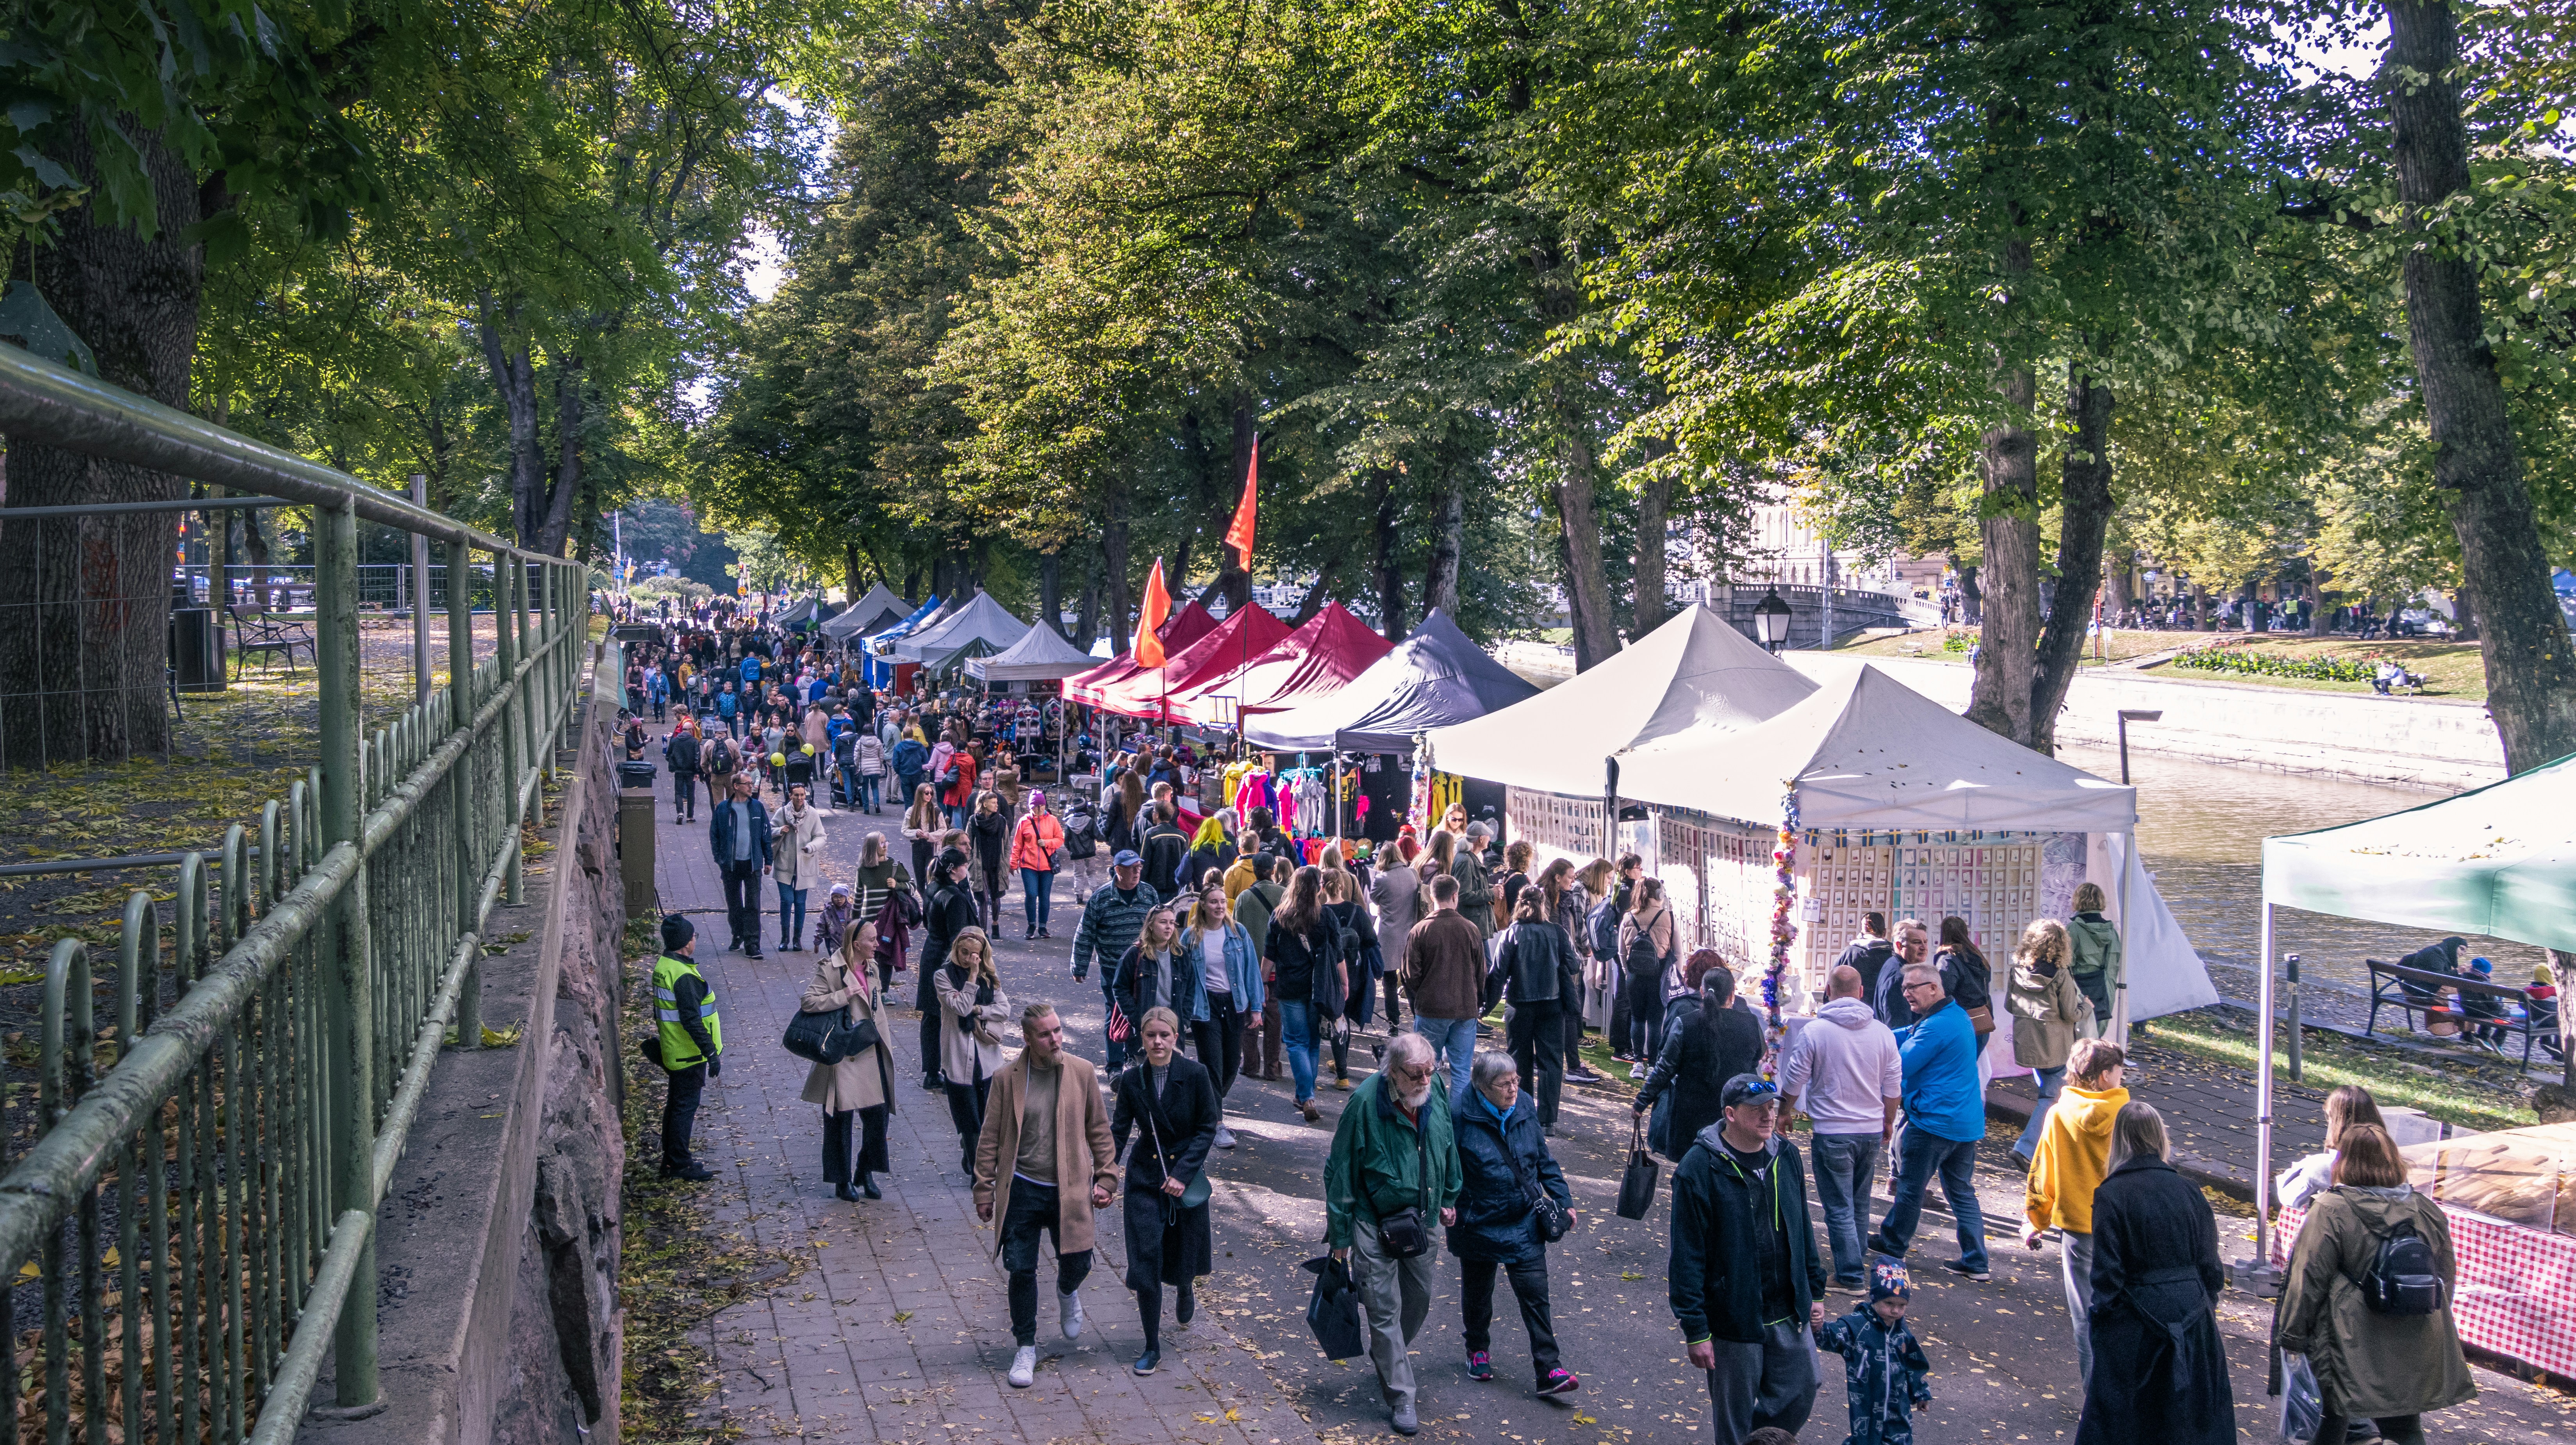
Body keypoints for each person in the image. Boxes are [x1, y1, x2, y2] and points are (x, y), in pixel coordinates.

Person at [2273, 1123, 2473, 1445]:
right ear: (2394, 1161)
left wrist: (2292, 1337)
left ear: (2343, 1162)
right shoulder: (2426, 1209)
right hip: (2413, 1335)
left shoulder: (2331, 1208)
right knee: (2405, 1427)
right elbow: (2445, 1277)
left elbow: (2307, 1279)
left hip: (2348, 1337)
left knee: (2332, 1420)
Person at [1667, 1075, 1827, 1445]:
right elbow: (1687, 1255)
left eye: (1771, 1107)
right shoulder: (1698, 1168)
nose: (1769, 1116)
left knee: (1803, 1388)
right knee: (1734, 1417)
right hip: (1733, 1317)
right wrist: (1696, 1329)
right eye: (1757, 1110)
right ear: (1731, 1114)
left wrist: (1814, 1290)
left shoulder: (1786, 1156)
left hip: (1787, 1308)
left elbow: (1803, 1227)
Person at [1324, 1033, 1463, 1438]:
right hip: (1372, 1219)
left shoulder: (1433, 1085)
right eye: (1414, 1074)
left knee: (1417, 1301)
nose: (1423, 1081)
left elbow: (1446, 1142)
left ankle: (1388, 1355)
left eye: (1428, 1071)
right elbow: (1340, 1172)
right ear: (1392, 1071)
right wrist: (1340, 1236)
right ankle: (1401, 1395)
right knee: (1383, 1309)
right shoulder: (1364, 1104)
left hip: (1422, 1219)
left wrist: (1449, 1194)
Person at [974, 1003, 1118, 1391]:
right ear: (1027, 1037)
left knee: (1077, 1263)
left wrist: (1106, 1177)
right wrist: (983, 1188)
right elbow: (988, 1139)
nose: (1054, 1039)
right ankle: (1025, 1346)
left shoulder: (1082, 1072)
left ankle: (1067, 1290)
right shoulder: (1006, 1079)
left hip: (1068, 1190)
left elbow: (1100, 1131)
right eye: (1045, 1034)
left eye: (1057, 1030)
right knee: (1020, 1269)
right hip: (1021, 1187)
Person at [2074, 1103, 2237, 1445]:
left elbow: (2107, 1277)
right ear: (2159, 1137)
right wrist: (2204, 1305)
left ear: (2119, 1140)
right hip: (2193, 1320)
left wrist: (2103, 1325)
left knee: (2130, 1424)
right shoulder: (2189, 1190)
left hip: (2136, 1327)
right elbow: (2211, 1266)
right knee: (2192, 1425)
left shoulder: (2111, 1194)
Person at [1449, 1050, 1581, 1399]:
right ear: (1482, 1087)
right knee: (1478, 1295)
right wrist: (1446, 1206)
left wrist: (1564, 1200)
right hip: (1478, 1222)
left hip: (1524, 1219)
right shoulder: (1459, 1115)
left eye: (1516, 1080)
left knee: (1536, 1297)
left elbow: (1542, 1157)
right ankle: (1477, 1350)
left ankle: (1549, 1369)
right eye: (1504, 1084)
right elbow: (1446, 1169)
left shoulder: (1523, 1103)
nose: (1513, 1089)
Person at [1110, 1006, 1221, 1376]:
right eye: (1150, 1035)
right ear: (1141, 1038)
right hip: (1145, 1177)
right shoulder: (1131, 1081)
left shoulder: (1196, 1074)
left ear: (1176, 1037)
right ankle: (1151, 1345)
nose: (1158, 1042)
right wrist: (1104, 1173)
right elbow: (1119, 1131)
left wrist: (1183, 1173)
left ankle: (1186, 1285)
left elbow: (1208, 1127)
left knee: (1184, 1250)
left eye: (1165, 1035)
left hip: (1184, 1176)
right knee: (1146, 1256)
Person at [1779, 964, 1903, 1291]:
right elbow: (1893, 1087)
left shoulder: (1816, 1032)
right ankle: (1856, 1255)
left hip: (1833, 1130)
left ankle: (1849, 1275)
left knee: (1838, 1206)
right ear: (1862, 992)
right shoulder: (1883, 1033)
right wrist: (1888, 1120)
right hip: (1870, 1129)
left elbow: (1794, 1079)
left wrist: (1784, 1112)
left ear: (1828, 992)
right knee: (1860, 1203)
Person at [1867, 963, 1991, 1283]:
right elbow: (1908, 1036)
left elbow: (1903, 1063)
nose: (1906, 993)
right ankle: (1977, 1260)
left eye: (1913, 987)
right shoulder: (1954, 1016)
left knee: (1910, 1188)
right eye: (1904, 987)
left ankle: (1893, 1244)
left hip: (1935, 1122)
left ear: (1934, 988)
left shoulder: (1937, 1026)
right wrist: (1877, 1032)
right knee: (1962, 1192)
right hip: (1964, 1123)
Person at [2019, 1038, 2131, 1381]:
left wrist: (2035, 1220)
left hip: (2080, 1229)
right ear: (2103, 1077)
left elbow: (2043, 1171)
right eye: (2118, 1072)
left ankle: (2095, 1395)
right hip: (2125, 1227)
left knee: (2086, 1315)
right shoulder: (2126, 1116)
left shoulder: (2058, 1115)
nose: (2122, 1078)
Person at [801, 924, 896, 1201]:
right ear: (855, 943)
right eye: (871, 940)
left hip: (872, 1049)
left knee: (878, 1117)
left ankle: (865, 1171)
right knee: (839, 1120)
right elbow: (808, 1002)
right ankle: (842, 1180)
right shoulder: (831, 969)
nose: (877, 944)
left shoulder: (872, 967)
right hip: (845, 1055)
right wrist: (843, 996)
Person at [1636, 965, 1766, 1160]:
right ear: (1733, 994)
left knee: (1691, 1175)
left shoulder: (1685, 1023)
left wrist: (1641, 1102)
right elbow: (1757, 1057)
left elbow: (1665, 1069)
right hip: (1733, 1114)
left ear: (1702, 992)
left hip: (1690, 1115)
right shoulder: (1750, 1023)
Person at [1813, 1256, 1932, 1445]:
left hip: (1898, 1406)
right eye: (1890, 1304)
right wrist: (1817, 1327)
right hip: (1867, 1401)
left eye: (1902, 1306)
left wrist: (1920, 1393)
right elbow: (1831, 1337)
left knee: (1900, 1440)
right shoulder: (1857, 1325)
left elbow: (1914, 1363)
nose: (1896, 1311)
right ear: (1875, 1298)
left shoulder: (1902, 1332)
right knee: (1864, 1441)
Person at [2005, 918, 2094, 1164]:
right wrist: (2086, 1006)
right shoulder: (2060, 975)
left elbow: (2009, 1005)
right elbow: (2071, 1014)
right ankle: (2026, 1149)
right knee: (2049, 1099)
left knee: (2049, 1092)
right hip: (2055, 1046)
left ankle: (2051, 1145)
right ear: (2062, 945)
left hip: (2028, 1044)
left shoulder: (2018, 971)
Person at [1264, 865, 1346, 1123]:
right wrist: (1344, 985)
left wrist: (1263, 985)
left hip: (1289, 988)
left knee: (1295, 1042)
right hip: (1318, 988)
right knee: (1312, 1042)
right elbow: (1338, 956)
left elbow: (1269, 957)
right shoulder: (1327, 917)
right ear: (1319, 887)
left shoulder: (1279, 916)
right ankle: (1306, 1095)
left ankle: (1307, 1096)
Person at [1495, 893, 1580, 1132]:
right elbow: (1574, 964)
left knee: (1519, 1060)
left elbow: (1498, 972)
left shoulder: (1512, 933)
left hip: (1520, 1003)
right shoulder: (1557, 932)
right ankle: (1548, 1120)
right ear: (1544, 905)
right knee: (1551, 1061)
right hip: (1552, 1003)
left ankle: (1522, 1113)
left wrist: (1485, 1004)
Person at [1183, 884, 1259, 1150]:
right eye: (1213, 902)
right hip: (1205, 1007)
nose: (1219, 906)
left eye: (1222, 902)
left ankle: (1205, 1103)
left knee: (1231, 1063)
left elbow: (1252, 971)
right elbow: (1179, 973)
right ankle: (1216, 1124)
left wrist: (1257, 1008)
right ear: (1202, 905)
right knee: (1212, 1064)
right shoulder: (1191, 937)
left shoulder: (1238, 933)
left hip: (1234, 1004)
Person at [1072, 850, 1162, 1074]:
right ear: (1118, 870)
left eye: (1139, 867)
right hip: (1112, 969)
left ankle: (1133, 1060)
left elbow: (1161, 928)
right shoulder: (1101, 898)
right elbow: (1086, 933)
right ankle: (1114, 1067)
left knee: (1140, 1013)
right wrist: (1079, 966)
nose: (1137, 872)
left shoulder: (1149, 894)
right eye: (1132, 868)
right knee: (1115, 1013)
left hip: (1144, 968)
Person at [648, 915, 722, 1181]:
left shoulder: (666, 965)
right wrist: (711, 1053)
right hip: (689, 1053)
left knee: (676, 1106)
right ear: (684, 943)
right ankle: (679, 1163)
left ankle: (671, 1160)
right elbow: (691, 1019)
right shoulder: (683, 976)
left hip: (674, 1049)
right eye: (693, 936)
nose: (695, 940)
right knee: (683, 1109)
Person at [1404, 874, 1487, 1104]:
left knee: (1425, 1070)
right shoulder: (1471, 929)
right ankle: (1457, 1125)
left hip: (1431, 1008)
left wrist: (1421, 996)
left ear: (1432, 897)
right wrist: (1477, 1000)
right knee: (1461, 1072)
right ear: (1455, 896)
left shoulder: (1421, 930)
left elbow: (1411, 975)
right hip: (1464, 1008)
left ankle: (1430, 1119)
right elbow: (1481, 972)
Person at [917, 849, 981, 1091]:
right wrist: (965, 968)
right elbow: (960, 939)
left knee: (931, 1018)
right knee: (951, 1018)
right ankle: (950, 1074)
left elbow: (926, 921)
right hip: (948, 961)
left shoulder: (932, 887)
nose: (968, 869)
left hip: (931, 954)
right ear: (954, 868)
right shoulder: (954, 898)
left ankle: (932, 1073)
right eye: (965, 865)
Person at [1323, 869, 1381, 1089]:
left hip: (1330, 974)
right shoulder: (1357, 911)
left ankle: (1343, 1074)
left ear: (1323, 887)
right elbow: (1371, 940)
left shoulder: (1320, 913)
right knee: (1344, 1016)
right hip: (1355, 972)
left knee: (1338, 1019)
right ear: (1343, 887)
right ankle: (1341, 1063)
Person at [708, 774, 772, 957]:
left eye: (752, 783)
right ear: (736, 786)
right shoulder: (723, 809)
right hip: (730, 865)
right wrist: (720, 859)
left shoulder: (757, 807)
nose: (751, 786)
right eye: (747, 784)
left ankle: (752, 944)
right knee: (734, 903)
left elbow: (765, 834)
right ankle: (738, 934)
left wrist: (768, 860)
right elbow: (715, 835)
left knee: (753, 904)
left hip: (752, 864)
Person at [1115, 905, 1198, 1040]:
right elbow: (1120, 988)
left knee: (1172, 1061)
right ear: (1151, 926)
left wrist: (1184, 1021)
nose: (1169, 927)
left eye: (1172, 923)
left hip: (1173, 1025)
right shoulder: (1136, 954)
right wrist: (1135, 1018)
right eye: (1163, 922)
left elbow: (1190, 989)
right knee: (1144, 1061)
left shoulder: (1181, 955)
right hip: (1145, 1026)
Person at [1619, 879, 1679, 1065]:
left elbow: (1621, 951)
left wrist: (1627, 971)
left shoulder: (1628, 917)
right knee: (1655, 1021)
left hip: (1634, 975)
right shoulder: (1668, 917)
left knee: (1637, 1018)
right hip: (1659, 975)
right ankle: (1653, 1064)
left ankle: (1637, 1062)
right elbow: (1678, 952)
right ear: (1660, 895)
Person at [1371, 837, 1422, 1038]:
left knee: (1390, 982)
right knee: (1411, 981)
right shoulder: (1413, 874)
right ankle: (1419, 1018)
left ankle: (1393, 1024)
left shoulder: (1382, 879)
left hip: (1389, 935)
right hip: (1410, 933)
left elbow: (1374, 899)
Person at [771, 782, 827, 952]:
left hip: (805, 863)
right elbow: (769, 830)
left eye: (803, 795)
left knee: (801, 902)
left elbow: (821, 836)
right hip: (785, 863)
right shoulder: (782, 813)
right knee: (787, 901)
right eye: (797, 795)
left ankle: (797, 939)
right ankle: (784, 938)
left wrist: (811, 847)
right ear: (790, 796)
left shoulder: (812, 814)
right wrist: (781, 830)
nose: (800, 798)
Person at [1010, 792, 1067, 940]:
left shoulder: (1053, 820)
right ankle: (1031, 924)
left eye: (1042, 805)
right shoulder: (1024, 822)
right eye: (1036, 806)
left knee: (1044, 896)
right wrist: (1013, 862)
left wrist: (1047, 843)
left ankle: (1043, 926)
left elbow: (1060, 839)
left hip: (1047, 865)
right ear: (1031, 807)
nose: (1040, 809)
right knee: (1031, 894)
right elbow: (1017, 844)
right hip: (1028, 864)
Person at [2066, 884, 2122, 1033]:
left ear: (2078, 900)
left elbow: (2066, 964)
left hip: (2079, 986)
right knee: (2096, 1037)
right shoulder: (2112, 931)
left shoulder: (2074, 929)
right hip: (2104, 987)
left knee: (2077, 1036)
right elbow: (2114, 965)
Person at [1932, 915, 1993, 1054]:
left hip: (1960, 1021)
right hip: (1982, 1019)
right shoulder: (1978, 956)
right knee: (1971, 1066)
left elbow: (1943, 992)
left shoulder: (1948, 959)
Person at [1872, 919, 1932, 1030]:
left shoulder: (1901, 967)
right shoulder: (1899, 978)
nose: (1924, 947)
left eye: (1925, 942)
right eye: (1917, 942)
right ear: (1900, 946)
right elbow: (1899, 1029)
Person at [968, 789, 1011, 935]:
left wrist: (1006, 862)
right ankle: (983, 933)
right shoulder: (974, 821)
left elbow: (1007, 845)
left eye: (997, 802)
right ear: (985, 804)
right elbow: (968, 845)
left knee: (996, 897)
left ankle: (995, 924)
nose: (996, 805)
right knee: (983, 899)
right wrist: (970, 863)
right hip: (980, 865)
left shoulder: (1001, 821)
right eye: (993, 803)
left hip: (997, 865)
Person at [1834, 913, 1896, 1013]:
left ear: (1862, 933)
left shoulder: (1849, 954)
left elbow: (1833, 983)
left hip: (1852, 1013)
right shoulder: (1895, 956)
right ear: (1884, 933)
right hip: (1885, 1015)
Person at [664, 721, 701, 823]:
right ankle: (690, 816)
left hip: (679, 771)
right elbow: (697, 758)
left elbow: (668, 756)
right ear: (691, 730)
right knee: (691, 793)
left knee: (678, 793)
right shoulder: (694, 742)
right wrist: (697, 772)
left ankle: (680, 813)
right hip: (691, 771)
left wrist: (675, 764)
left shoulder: (675, 741)